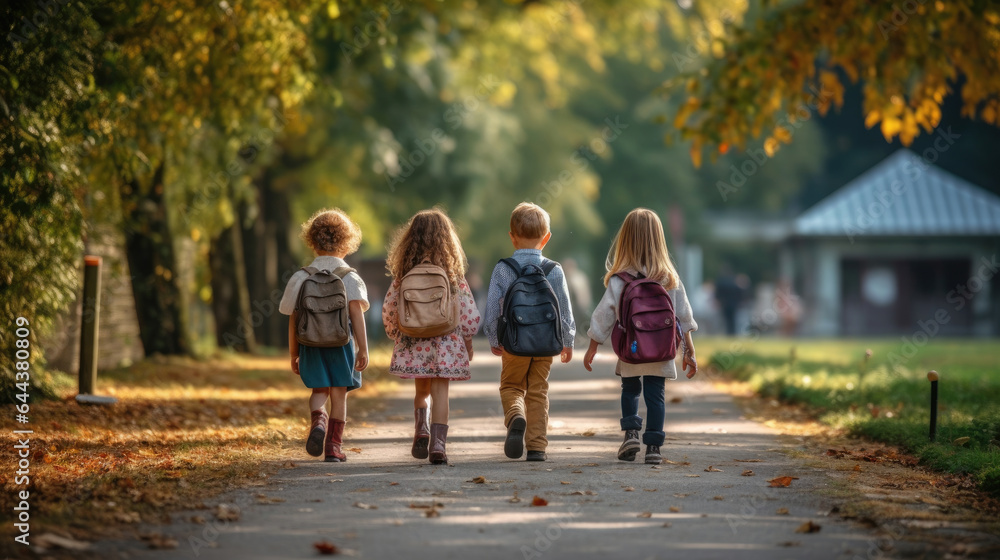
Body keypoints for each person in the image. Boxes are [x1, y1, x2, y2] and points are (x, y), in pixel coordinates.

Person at [583, 208, 698, 464]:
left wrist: (593, 345)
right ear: (659, 241)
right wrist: (689, 350)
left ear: (625, 241)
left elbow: (603, 315)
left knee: (630, 389)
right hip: (662, 349)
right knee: (656, 396)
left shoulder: (619, 280)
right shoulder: (669, 278)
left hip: (632, 348)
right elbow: (684, 315)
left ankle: (631, 433)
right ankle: (654, 449)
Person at [382, 209, 481, 464]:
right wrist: (467, 341)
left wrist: (396, 334)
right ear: (447, 241)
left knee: (421, 392)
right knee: (441, 394)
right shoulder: (452, 276)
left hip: (414, 341)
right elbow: (468, 313)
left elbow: (390, 309)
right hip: (445, 342)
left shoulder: (404, 274)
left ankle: (421, 429)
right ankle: (438, 446)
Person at [484, 202, 575, 462]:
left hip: (513, 342)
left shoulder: (503, 268)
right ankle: (537, 447)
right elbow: (565, 308)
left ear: (512, 237)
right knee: (538, 391)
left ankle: (516, 416)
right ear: (546, 238)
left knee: (512, 385)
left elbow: (492, 309)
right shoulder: (554, 270)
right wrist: (567, 341)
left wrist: (494, 338)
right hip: (545, 344)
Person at [279, 208, 369, 463]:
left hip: (310, 344)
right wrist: (363, 348)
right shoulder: (350, 277)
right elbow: (356, 314)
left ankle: (318, 421)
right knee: (339, 392)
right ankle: (334, 447)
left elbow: (293, 318)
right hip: (342, 344)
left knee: (319, 391)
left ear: (313, 242)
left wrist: (294, 353)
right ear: (346, 244)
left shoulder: (300, 277)